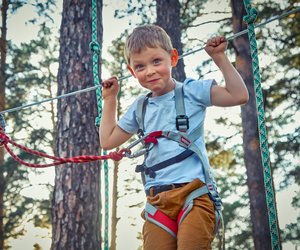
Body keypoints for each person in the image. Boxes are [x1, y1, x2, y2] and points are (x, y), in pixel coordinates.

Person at [100, 24, 248, 250]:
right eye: (140, 66)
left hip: (195, 194)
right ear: (132, 71)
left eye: (156, 61)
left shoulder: (191, 91)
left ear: (173, 58)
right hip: (158, 201)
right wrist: (110, 99)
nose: (149, 71)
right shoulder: (141, 107)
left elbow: (238, 95)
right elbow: (108, 140)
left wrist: (219, 57)